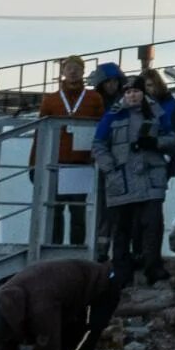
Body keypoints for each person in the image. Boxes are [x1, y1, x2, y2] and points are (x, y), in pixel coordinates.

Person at [93, 67, 175, 288]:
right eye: (128, 92)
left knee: (152, 226)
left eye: (136, 91)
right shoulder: (112, 116)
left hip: (150, 179)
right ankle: (122, 272)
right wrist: (110, 169)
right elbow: (98, 145)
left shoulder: (157, 113)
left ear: (144, 93)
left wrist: (154, 143)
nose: (132, 95)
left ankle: (153, 268)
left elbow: (173, 141)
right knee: (122, 230)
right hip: (121, 182)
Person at [37, 57, 106, 248]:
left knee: (78, 210)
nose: (73, 72)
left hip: (82, 162)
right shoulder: (51, 100)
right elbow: (39, 133)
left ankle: (77, 247)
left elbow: (102, 128)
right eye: (69, 68)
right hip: (55, 162)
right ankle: (54, 246)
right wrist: (34, 163)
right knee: (55, 209)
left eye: (77, 68)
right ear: (63, 72)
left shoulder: (94, 98)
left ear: (83, 71)